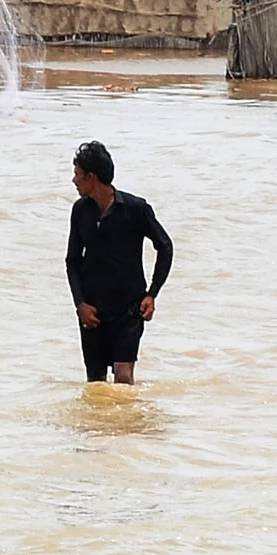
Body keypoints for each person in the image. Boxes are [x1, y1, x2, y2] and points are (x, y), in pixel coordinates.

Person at [66, 140, 173, 386]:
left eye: (77, 175)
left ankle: (128, 425)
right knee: (96, 384)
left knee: (124, 377)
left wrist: (152, 294)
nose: (74, 181)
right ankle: (100, 426)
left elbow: (165, 247)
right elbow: (72, 261)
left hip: (128, 309)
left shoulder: (136, 209)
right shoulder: (80, 210)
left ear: (92, 177)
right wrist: (80, 304)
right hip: (92, 310)